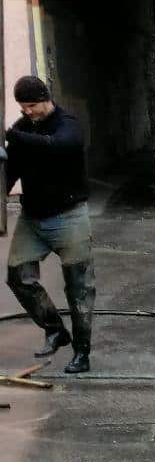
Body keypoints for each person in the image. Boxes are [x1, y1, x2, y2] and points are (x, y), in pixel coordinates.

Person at [3, 75, 94, 374]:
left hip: (69, 216)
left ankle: (82, 353)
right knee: (18, 276)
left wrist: (13, 137)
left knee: (78, 288)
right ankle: (55, 329)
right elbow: (11, 169)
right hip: (33, 219)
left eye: (31, 105)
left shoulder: (67, 123)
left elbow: (60, 146)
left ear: (45, 98)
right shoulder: (22, 129)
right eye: (22, 107)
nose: (27, 112)